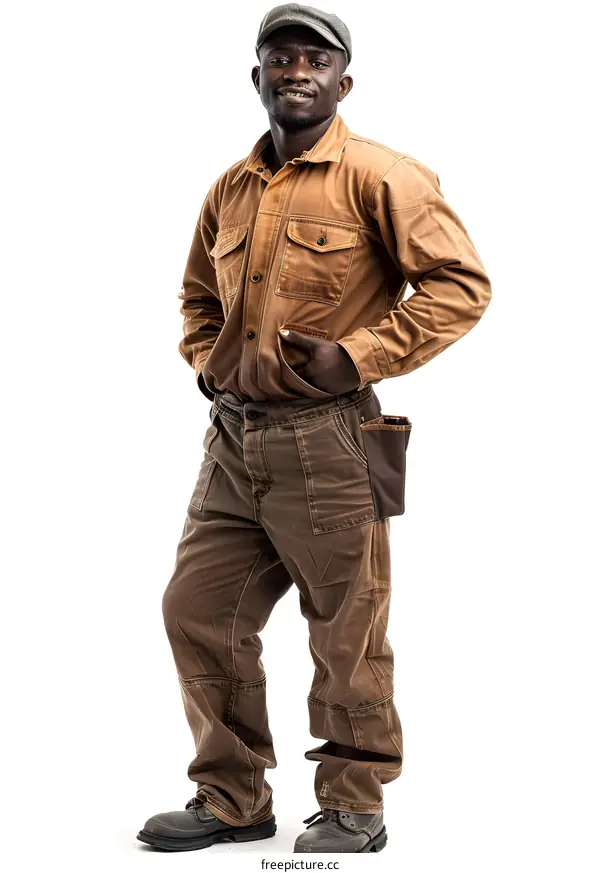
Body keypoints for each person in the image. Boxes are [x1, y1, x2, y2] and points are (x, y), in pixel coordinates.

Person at [136, 2, 491, 855]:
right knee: (197, 608)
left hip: (329, 439)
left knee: (346, 627)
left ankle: (354, 800)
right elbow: (196, 297)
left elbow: (460, 285)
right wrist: (206, 363)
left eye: (315, 59)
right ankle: (231, 795)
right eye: (279, 56)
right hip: (231, 441)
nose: (297, 70)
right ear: (257, 76)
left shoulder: (383, 175)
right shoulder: (230, 186)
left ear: (344, 81)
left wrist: (360, 356)